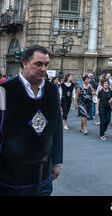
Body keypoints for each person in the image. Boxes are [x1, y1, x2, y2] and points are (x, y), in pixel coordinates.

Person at [0, 45, 63, 196]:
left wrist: (57, 161)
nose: (43, 69)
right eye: (38, 64)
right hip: (12, 178)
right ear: (24, 63)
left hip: (43, 175)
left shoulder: (52, 90)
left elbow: (57, 127)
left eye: (46, 64)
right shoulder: (4, 91)